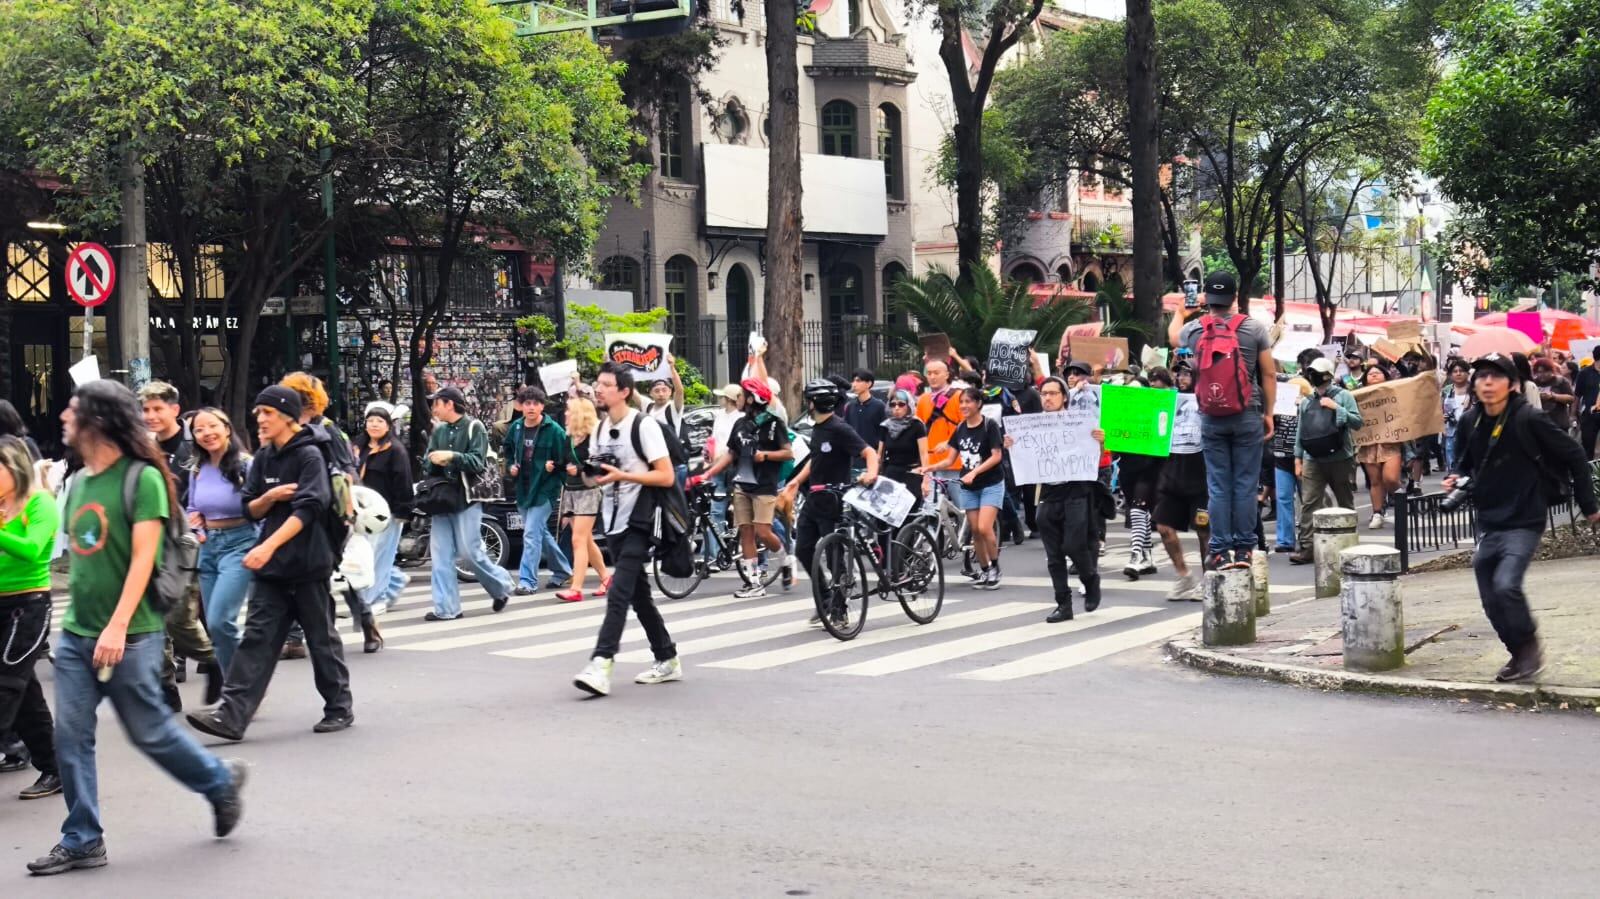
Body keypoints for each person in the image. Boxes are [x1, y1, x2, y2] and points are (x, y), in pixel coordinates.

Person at [34, 381, 245, 876]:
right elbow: (82, 562)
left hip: (129, 635)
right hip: (79, 633)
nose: (64, 416)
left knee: (150, 733)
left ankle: (218, 783)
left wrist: (117, 626)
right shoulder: (81, 479)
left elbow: (142, 563)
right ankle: (83, 838)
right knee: (71, 735)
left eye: (73, 409)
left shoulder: (141, 480)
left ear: (99, 420)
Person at [185, 386, 354, 742]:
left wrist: (268, 545)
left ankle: (339, 706)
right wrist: (270, 496)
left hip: (308, 563)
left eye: (267, 413)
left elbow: (309, 508)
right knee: (256, 640)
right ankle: (232, 717)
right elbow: (249, 507)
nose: (259, 419)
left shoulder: (310, 455)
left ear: (289, 417)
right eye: (258, 412)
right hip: (272, 567)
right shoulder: (264, 457)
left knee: (321, 639)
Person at [1445, 353, 1600, 682]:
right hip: (1488, 518)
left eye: (1496, 377)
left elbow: (1573, 453)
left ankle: (1530, 648)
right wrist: (1456, 478)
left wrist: (1589, 506)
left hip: (1526, 517)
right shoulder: (1470, 420)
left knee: (1506, 585)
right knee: (1489, 596)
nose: (1488, 383)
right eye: (1482, 377)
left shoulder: (1528, 418)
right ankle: (1517, 653)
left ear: (1512, 384)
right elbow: (1462, 462)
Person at [572, 363, 683, 696]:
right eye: (598, 384)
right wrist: (589, 471)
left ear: (623, 391)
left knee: (618, 592)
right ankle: (667, 658)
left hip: (641, 519)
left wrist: (625, 476)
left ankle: (601, 663)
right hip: (614, 520)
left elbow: (666, 476)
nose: (599, 389)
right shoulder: (599, 429)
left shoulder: (644, 425)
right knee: (638, 596)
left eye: (606, 384)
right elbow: (595, 476)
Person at [1177, 271, 1276, 570]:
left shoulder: (1193, 330)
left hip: (1211, 415)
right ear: (1234, 297)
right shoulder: (1254, 328)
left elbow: (1173, 339)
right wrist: (1268, 413)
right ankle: (1245, 549)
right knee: (1245, 485)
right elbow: (1269, 374)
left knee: (1218, 486)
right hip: (1247, 413)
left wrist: (1182, 312)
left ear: (1207, 298)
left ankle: (1219, 550)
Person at [137, 381, 221, 711]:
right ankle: (165, 686)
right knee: (150, 617)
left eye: (158, 409)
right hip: (148, 537)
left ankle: (213, 660)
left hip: (186, 541)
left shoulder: (196, 443)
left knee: (178, 618)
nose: (151, 415)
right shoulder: (142, 446)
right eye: (146, 410)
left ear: (174, 409)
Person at [783, 379, 880, 620]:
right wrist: (796, 482)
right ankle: (825, 598)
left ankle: (839, 608)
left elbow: (868, 452)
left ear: (813, 402)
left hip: (834, 501)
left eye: (808, 399)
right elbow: (815, 460)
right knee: (804, 550)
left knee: (835, 556)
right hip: (814, 499)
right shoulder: (817, 428)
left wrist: (872, 473)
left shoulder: (839, 428)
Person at [1015, 377, 1105, 621]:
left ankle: (1090, 579)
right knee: (1053, 554)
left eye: (1053, 393)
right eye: (1044, 393)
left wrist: (1100, 440)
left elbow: (1095, 456)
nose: (1047, 398)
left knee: (1073, 545)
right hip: (1048, 494)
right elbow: (1024, 457)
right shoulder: (1033, 425)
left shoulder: (1080, 422)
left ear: (1064, 396)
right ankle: (1063, 604)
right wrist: (1012, 445)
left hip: (1076, 492)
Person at [0, 436, 60, 802]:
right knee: (25, 696)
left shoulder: (40, 504)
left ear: (15, 468)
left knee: (6, 686)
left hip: (28, 606)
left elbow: (33, 549)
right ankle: (55, 767)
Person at [693, 378, 793, 598]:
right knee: (746, 531)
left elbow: (788, 453)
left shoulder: (774, 423)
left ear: (751, 399)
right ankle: (754, 582)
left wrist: (765, 455)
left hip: (765, 484)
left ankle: (785, 557)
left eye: (742, 395)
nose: (739, 399)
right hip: (741, 484)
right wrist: (708, 473)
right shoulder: (740, 423)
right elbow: (731, 453)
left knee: (763, 532)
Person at [420, 386, 513, 620]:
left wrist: (451, 457)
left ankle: (501, 585)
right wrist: (432, 460)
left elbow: (477, 462)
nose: (434, 408)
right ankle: (446, 609)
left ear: (449, 404)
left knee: (469, 552)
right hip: (441, 499)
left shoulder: (474, 427)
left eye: (437, 403)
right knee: (440, 556)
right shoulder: (438, 431)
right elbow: (427, 463)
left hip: (467, 498)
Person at [185, 408, 256, 673]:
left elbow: (262, 507)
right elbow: (192, 507)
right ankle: (235, 689)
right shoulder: (198, 469)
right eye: (198, 429)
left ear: (227, 428)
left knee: (220, 621)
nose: (206, 433)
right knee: (214, 627)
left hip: (240, 544)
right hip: (208, 546)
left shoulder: (247, 464)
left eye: (212, 426)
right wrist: (195, 523)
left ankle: (243, 685)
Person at [929, 386, 1006, 588]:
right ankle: (985, 570)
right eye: (961, 402)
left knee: (984, 527)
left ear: (978, 404)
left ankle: (996, 567)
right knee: (975, 530)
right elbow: (950, 460)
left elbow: (997, 456)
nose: (963, 405)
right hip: (968, 486)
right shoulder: (960, 428)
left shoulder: (989, 426)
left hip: (991, 483)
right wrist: (928, 467)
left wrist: (975, 472)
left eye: (968, 401)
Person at [1288, 359, 1362, 565]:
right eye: (1311, 372)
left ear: (1328, 374)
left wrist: (1336, 408)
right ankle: (1306, 547)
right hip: (1313, 458)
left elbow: (1357, 422)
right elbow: (1301, 431)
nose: (1314, 376)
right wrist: (1298, 458)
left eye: (1318, 372)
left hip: (1340, 457)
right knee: (1309, 503)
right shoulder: (1306, 401)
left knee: (1344, 501)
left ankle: (1349, 543)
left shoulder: (1344, 396)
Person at [504, 386, 574, 596]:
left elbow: (568, 460)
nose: (531, 407)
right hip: (523, 489)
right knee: (540, 533)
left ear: (542, 406)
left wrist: (556, 468)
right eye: (527, 403)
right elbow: (508, 452)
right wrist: (510, 467)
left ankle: (527, 581)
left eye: (535, 404)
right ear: (521, 406)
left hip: (545, 489)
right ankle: (563, 571)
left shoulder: (554, 430)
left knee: (531, 533)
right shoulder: (516, 428)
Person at [1154, 362, 1210, 601]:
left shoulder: (1207, 401)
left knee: (1204, 530)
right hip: (1172, 476)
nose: (1182, 377)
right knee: (1163, 527)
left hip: (1200, 479)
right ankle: (1183, 575)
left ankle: (1210, 579)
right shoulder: (1165, 400)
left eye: (1188, 373)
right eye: (1178, 373)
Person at [353, 407, 412, 626]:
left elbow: (403, 482)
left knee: (379, 556)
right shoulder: (358, 447)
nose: (374, 425)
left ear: (388, 425)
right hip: (362, 513)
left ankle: (373, 601)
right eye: (371, 420)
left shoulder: (395, 450)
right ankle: (395, 581)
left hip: (387, 513)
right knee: (367, 556)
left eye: (379, 421)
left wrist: (403, 511)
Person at [556, 396, 609, 603]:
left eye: (569, 410)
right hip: (571, 491)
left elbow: (600, 465)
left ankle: (576, 588)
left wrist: (578, 468)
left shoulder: (593, 438)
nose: (566, 414)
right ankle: (605, 577)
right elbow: (564, 462)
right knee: (585, 539)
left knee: (577, 539)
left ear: (579, 414)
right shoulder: (568, 437)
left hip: (588, 491)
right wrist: (557, 466)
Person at [1355, 365, 1404, 529]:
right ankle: (1377, 513)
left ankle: (1402, 504)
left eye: (1378, 372)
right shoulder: (1358, 397)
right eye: (1370, 373)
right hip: (1369, 442)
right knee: (1375, 480)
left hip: (1391, 442)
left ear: (1385, 376)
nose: (1374, 375)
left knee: (1390, 479)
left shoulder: (1395, 393)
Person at [916, 359, 965, 496]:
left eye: (936, 373)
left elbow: (967, 427)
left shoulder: (959, 397)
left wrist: (949, 442)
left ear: (947, 374)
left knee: (961, 507)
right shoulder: (923, 400)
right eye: (929, 373)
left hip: (956, 462)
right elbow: (919, 431)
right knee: (931, 509)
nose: (932, 377)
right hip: (930, 463)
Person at [878, 389, 929, 500]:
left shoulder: (917, 425)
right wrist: (875, 476)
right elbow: (879, 456)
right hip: (891, 474)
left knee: (910, 513)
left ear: (909, 405)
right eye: (893, 404)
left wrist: (926, 481)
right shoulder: (885, 426)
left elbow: (924, 455)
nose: (896, 408)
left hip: (911, 473)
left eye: (901, 404)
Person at [843, 368, 887, 456]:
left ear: (869, 383)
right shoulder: (850, 406)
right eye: (853, 381)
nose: (854, 384)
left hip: (872, 456)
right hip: (853, 457)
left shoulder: (879, 406)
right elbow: (846, 431)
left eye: (858, 381)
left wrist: (879, 455)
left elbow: (884, 433)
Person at [1441, 359, 1474, 473]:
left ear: (1467, 373)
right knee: (1452, 462)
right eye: (1455, 371)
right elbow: (1438, 409)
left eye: (1461, 371)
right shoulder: (1446, 390)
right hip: (1450, 432)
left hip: (1470, 431)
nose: (1458, 373)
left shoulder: (1474, 390)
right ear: (1451, 374)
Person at [1532, 357, 1576, 435]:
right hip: (1539, 423)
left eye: (1545, 372)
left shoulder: (1560, 381)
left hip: (1558, 423)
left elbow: (1571, 399)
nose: (1542, 375)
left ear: (1551, 371)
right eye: (1539, 372)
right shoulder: (1533, 383)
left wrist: (1553, 397)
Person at [1575, 345, 1600, 460]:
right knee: (1588, 446)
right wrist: (1574, 414)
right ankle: (1590, 474)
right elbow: (1577, 395)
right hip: (1589, 416)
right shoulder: (1584, 373)